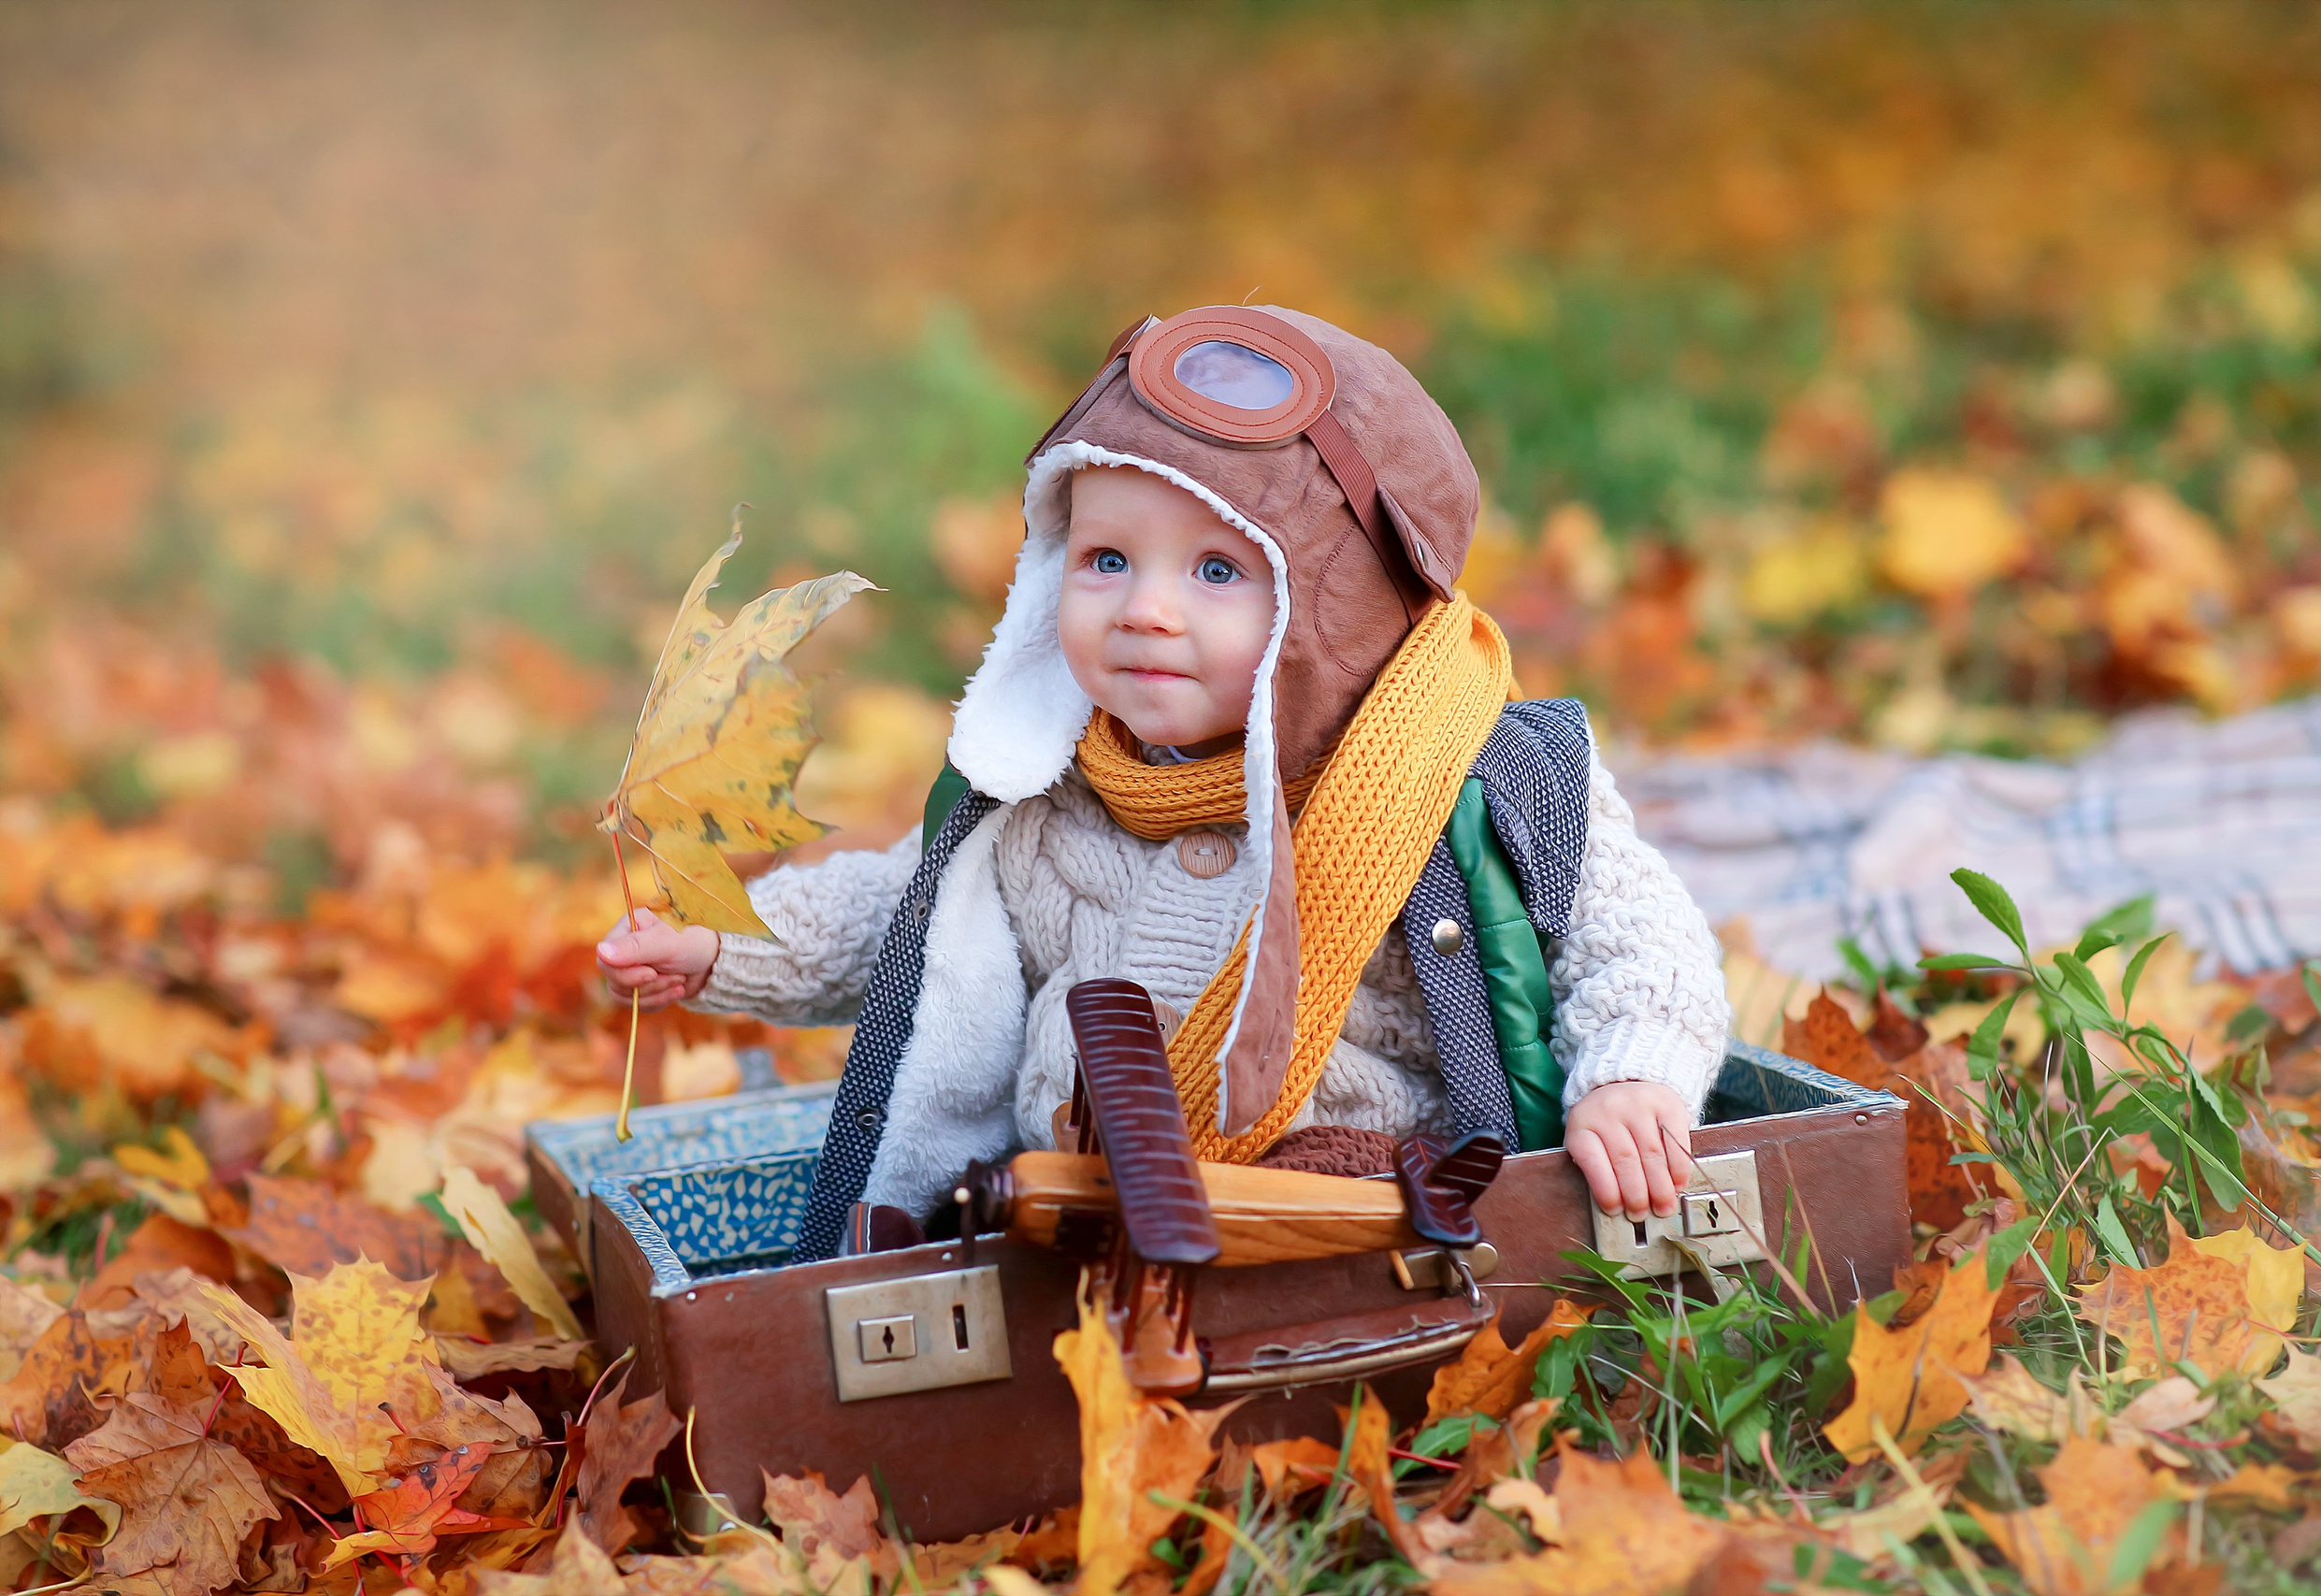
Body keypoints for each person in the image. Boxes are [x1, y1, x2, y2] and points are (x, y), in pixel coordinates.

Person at [598, 306, 1731, 1262]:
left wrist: (1632, 1083)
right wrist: (723, 945)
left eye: (1217, 570)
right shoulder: (1040, 787)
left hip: (1361, 1209)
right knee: (990, 1231)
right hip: (1064, 1198)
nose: (1144, 607)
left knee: (1339, 1205)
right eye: (1105, 560)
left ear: (1337, 611)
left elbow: (1638, 942)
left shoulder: (1473, 781)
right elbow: (899, 917)